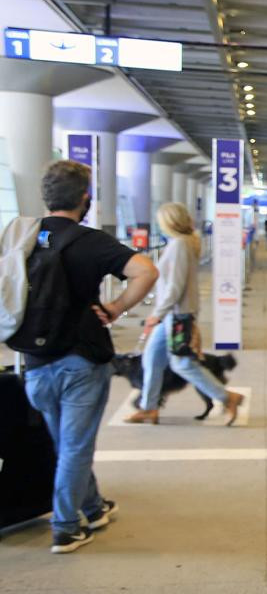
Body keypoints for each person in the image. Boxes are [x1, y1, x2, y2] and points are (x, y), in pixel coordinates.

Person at [18, 161, 159, 553]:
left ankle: (93, 507)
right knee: (76, 447)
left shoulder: (22, 237)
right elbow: (146, 270)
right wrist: (116, 308)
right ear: (85, 198)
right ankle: (65, 526)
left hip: (33, 360)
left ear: (45, 196)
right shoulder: (90, 240)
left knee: (66, 443)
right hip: (81, 357)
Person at [125, 203, 245, 427]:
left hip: (177, 315)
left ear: (169, 222)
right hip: (171, 315)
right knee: (151, 359)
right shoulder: (181, 243)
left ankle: (228, 397)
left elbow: (175, 286)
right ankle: (149, 407)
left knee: (181, 363)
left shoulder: (180, 245)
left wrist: (156, 314)